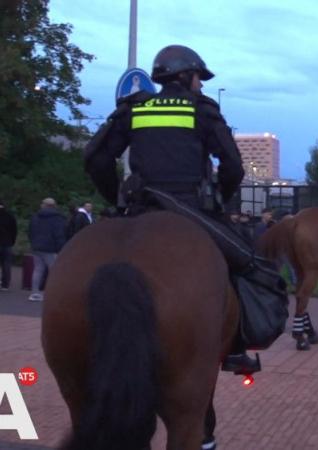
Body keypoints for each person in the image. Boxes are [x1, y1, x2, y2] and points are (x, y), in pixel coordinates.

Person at [83, 45, 262, 374]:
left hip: (139, 207)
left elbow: (95, 159)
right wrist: (219, 197)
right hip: (190, 209)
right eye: (199, 78)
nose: (201, 85)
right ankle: (236, 346)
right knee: (244, 263)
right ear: (185, 75)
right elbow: (234, 166)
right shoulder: (202, 109)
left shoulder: (133, 108)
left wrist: (115, 200)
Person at [27, 198, 67, 301]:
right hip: (50, 248)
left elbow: (30, 231)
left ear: (43, 205)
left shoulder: (35, 216)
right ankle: (53, 293)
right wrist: (61, 248)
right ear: (54, 206)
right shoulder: (58, 218)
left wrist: (33, 243)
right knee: (54, 271)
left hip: (36, 247)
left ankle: (35, 293)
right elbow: (59, 235)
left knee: (37, 270)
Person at [0, 200, 18, 291]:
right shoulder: (10, 216)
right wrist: (12, 241)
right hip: (7, 243)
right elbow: (14, 230)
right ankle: (5, 285)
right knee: (6, 264)